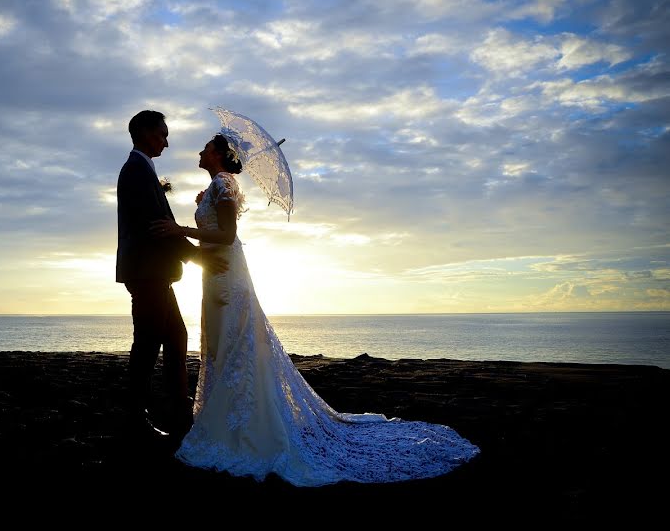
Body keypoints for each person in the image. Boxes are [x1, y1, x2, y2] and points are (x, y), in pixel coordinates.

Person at [150, 133, 480, 486]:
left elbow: (228, 236)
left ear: (217, 154)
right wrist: (202, 210)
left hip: (227, 276)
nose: (199, 151)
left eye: (205, 148)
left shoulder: (224, 186)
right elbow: (217, 231)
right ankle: (225, 414)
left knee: (233, 346)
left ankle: (241, 421)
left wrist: (179, 228)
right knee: (219, 346)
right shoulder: (217, 187)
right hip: (215, 274)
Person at [116, 110, 227, 443]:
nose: (166, 140)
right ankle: (136, 418)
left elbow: (162, 225)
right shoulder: (135, 170)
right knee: (148, 345)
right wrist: (197, 257)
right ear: (146, 133)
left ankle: (179, 410)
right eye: (162, 134)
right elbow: (156, 227)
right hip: (147, 273)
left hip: (156, 274)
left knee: (176, 340)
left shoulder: (143, 170)